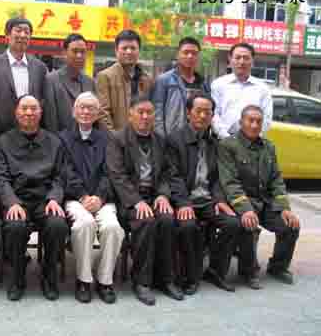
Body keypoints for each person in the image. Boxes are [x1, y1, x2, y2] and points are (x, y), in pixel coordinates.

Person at [106, 96, 183, 306]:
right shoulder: (117, 139)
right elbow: (117, 175)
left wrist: (163, 195)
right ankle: (141, 281)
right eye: (140, 112)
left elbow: (167, 173)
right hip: (129, 199)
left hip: (154, 195)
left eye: (149, 112)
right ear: (130, 114)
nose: (145, 116)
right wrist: (136, 201)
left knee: (167, 219)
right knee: (145, 221)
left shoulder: (160, 140)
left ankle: (165, 278)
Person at [0, 95, 69, 301]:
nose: (29, 113)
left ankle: (49, 275)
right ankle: (17, 278)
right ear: (16, 112)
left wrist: (54, 198)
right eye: (24, 108)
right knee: (15, 226)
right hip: (17, 198)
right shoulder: (4, 141)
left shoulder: (54, 142)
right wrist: (12, 202)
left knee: (57, 224)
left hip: (45, 199)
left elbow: (61, 176)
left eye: (33, 109)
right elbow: (0, 177)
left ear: (40, 113)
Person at [166, 93, 241, 295]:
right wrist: (183, 203)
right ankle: (190, 277)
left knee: (232, 223)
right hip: (185, 199)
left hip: (208, 200)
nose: (202, 116)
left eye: (207, 112)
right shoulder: (174, 140)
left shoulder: (215, 143)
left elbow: (217, 178)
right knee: (187, 226)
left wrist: (219, 200)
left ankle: (216, 271)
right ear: (188, 113)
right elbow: (173, 176)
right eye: (198, 111)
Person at [218, 105, 300, 289]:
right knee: (249, 224)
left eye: (258, 121)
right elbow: (230, 183)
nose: (255, 125)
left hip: (266, 203)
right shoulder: (228, 146)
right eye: (250, 120)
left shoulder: (268, 147)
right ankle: (248, 271)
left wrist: (284, 208)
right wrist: (245, 210)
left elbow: (276, 179)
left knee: (291, 226)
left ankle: (278, 267)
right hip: (242, 203)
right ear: (241, 122)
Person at [61, 92, 124, 304]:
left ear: (98, 114)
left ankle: (105, 281)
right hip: (75, 198)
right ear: (74, 111)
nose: (86, 111)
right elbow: (65, 171)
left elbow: (111, 172)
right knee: (84, 224)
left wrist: (99, 197)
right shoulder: (63, 139)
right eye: (82, 107)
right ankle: (83, 280)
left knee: (112, 228)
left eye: (91, 108)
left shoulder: (108, 139)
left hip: (103, 198)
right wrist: (82, 196)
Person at [0, 18, 48, 137]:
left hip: (32, 134)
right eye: (18, 30)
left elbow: (43, 103)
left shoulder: (40, 68)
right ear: (7, 36)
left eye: (26, 32)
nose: (23, 35)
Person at [151, 37, 211, 138]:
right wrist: (161, 139)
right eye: (186, 52)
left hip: (197, 139)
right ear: (178, 54)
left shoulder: (203, 83)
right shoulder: (164, 80)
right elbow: (157, 113)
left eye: (194, 53)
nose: (190, 56)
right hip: (172, 138)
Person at [211, 42, 272, 139]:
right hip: (221, 140)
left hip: (251, 142)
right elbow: (213, 114)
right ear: (230, 59)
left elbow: (266, 119)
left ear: (252, 61)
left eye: (246, 58)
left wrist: (251, 138)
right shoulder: (218, 84)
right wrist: (226, 137)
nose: (242, 62)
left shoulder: (263, 88)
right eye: (237, 57)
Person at [97, 30, 152, 131]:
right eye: (124, 48)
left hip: (140, 135)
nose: (129, 52)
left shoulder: (146, 78)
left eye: (133, 48)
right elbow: (103, 113)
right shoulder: (105, 76)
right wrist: (114, 137)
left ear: (139, 51)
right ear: (116, 51)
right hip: (116, 136)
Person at [43, 34, 96, 132]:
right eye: (75, 51)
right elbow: (50, 119)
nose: (79, 55)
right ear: (64, 53)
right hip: (60, 138)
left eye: (83, 52)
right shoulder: (51, 80)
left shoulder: (90, 82)